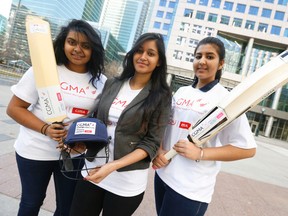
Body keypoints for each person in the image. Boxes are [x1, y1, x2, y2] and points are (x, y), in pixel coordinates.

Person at [6, 19, 107, 216]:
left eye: (85, 46)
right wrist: (46, 129)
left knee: (66, 207)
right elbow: (14, 108)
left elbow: (97, 120)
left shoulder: (101, 82)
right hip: (35, 150)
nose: (78, 49)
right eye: (72, 42)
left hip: (73, 153)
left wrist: (82, 141)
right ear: (63, 43)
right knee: (31, 202)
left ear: (93, 50)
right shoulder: (43, 69)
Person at [69, 32, 172, 216]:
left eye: (150, 53)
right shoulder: (113, 83)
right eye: (139, 51)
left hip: (126, 180)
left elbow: (151, 142)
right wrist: (81, 141)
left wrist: (113, 166)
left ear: (159, 62)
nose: (143, 57)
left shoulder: (161, 96)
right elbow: (98, 121)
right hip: (93, 166)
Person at [152, 37, 257, 216]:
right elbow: (166, 126)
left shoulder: (226, 100)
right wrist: (160, 150)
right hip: (162, 176)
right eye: (198, 56)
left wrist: (200, 153)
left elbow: (247, 149)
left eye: (210, 57)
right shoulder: (183, 91)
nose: (202, 61)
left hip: (190, 188)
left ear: (221, 63)